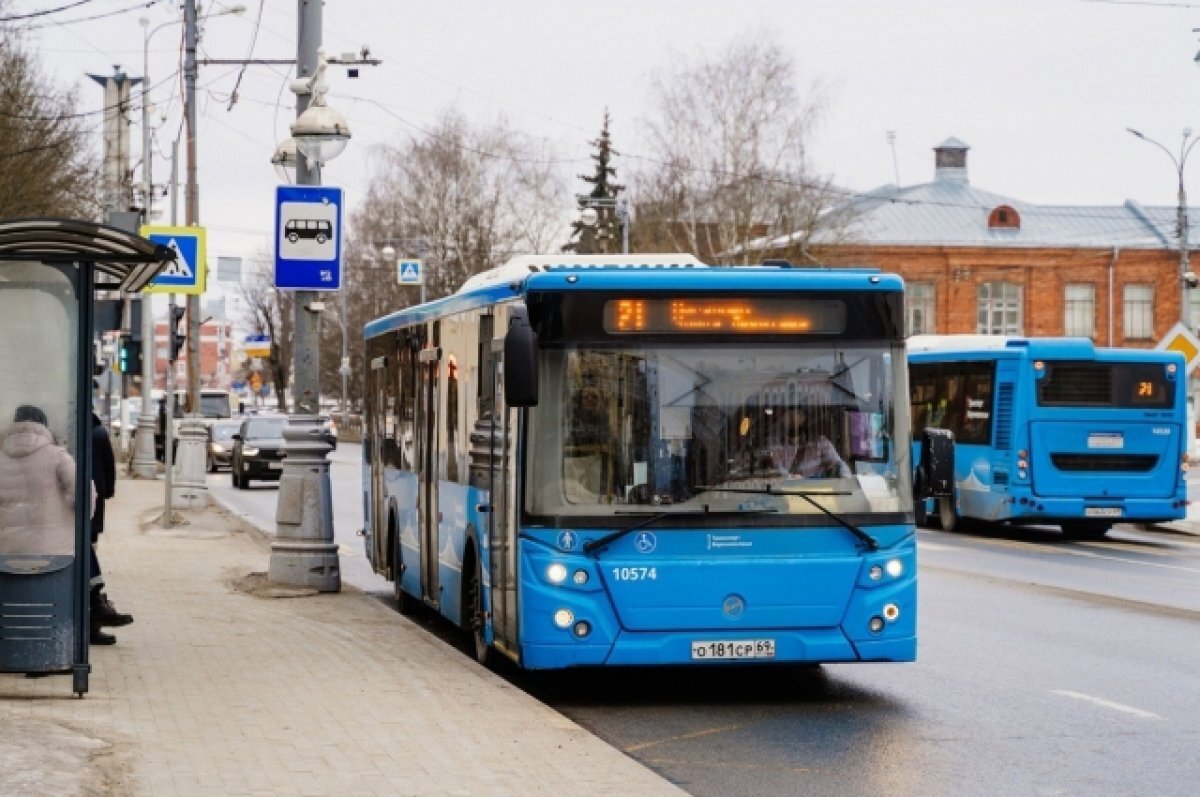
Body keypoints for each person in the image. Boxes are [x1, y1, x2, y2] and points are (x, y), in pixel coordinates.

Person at [0, 405, 78, 557]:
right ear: (44, 425)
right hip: (54, 550)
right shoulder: (58, 455)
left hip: (7, 550)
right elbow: (84, 495)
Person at [90, 411, 132, 645]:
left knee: (88, 557)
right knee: (88, 554)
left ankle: (97, 610)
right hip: (86, 508)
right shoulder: (98, 432)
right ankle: (96, 612)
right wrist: (108, 492)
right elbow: (109, 466)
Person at [771, 405, 851, 479]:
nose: (793, 419)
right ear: (782, 419)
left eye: (797, 414)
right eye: (788, 415)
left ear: (803, 418)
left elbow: (838, 463)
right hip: (785, 489)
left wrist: (845, 480)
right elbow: (777, 468)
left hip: (816, 490)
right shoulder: (775, 444)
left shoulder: (820, 441)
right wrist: (791, 477)